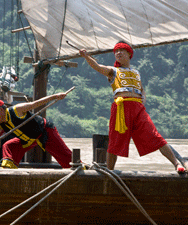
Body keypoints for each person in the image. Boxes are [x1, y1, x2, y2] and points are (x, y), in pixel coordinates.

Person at [79, 41, 186, 173]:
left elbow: (142, 90)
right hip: (121, 108)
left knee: (155, 136)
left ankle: (177, 164)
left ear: (129, 54)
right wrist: (86, 57)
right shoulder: (113, 71)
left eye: (121, 51)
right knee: (115, 141)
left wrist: (142, 102)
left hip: (138, 108)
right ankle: (109, 172)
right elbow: (97, 66)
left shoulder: (136, 72)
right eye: (116, 52)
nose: (118, 53)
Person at [0, 93, 73, 169]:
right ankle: (9, 170)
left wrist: (55, 96)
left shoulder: (17, 110)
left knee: (64, 156)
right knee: (9, 145)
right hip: (28, 139)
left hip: (44, 131)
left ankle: (80, 168)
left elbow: (36, 103)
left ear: (1, 110)